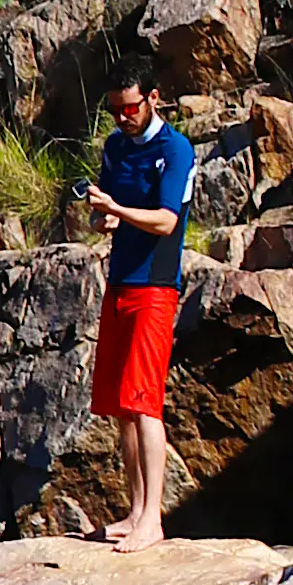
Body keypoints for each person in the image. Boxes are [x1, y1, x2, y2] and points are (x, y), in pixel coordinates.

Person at [88, 70, 199, 551]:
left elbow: (166, 219)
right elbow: (106, 213)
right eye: (115, 109)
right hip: (119, 282)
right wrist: (103, 215)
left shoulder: (175, 150)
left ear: (154, 98)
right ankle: (135, 510)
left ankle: (153, 519)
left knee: (145, 402)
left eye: (130, 107)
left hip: (154, 284)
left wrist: (120, 209)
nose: (123, 117)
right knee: (121, 408)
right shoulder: (116, 147)